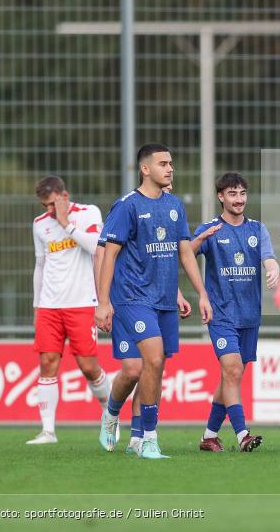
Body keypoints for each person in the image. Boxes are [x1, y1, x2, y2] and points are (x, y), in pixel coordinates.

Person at [95, 143, 212, 459]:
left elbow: (184, 252)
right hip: (131, 298)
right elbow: (109, 254)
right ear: (145, 169)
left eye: (171, 163)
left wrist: (198, 293)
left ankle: (134, 434)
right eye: (163, 163)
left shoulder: (174, 206)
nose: (170, 168)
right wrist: (103, 302)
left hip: (162, 301)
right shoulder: (127, 206)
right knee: (146, 362)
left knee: (148, 369)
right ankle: (145, 435)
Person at [194, 172, 280, 452]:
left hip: (249, 316)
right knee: (231, 370)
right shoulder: (211, 229)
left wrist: (272, 268)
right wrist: (197, 243)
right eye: (232, 194)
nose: (239, 199)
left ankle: (209, 436)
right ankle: (243, 434)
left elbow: (268, 257)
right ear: (221, 197)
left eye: (242, 194)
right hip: (221, 315)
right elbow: (184, 254)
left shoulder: (257, 229)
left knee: (231, 376)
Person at [28, 176, 110, 444]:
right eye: (45, 206)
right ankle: (48, 431)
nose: (49, 211)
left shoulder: (89, 213)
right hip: (50, 306)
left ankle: (110, 416)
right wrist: (36, 306)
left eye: (52, 204)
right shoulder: (39, 225)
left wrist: (66, 224)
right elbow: (40, 266)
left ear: (65, 195)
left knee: (88, 367)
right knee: (47, 363)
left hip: (82, 303)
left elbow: (97, 249)